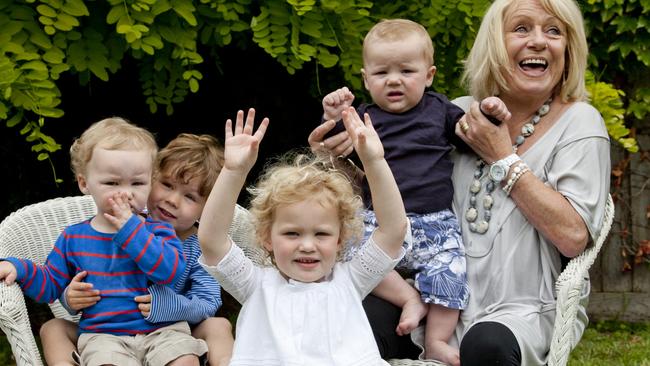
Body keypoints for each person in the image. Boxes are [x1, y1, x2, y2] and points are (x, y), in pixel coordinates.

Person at [310, 0, 611, 365]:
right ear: (494, 45)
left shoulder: (580, 123)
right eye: (521, 29)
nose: (538, 41)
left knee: (486, 346)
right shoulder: (459, 110)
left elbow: (573, 236)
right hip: (427, 295)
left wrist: (502, 157)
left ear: (569, 48)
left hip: (520, 308)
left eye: (554, 31)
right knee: (352, 319)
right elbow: (391, 193)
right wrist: (336, 159)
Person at [319, 18, 509, 365]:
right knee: (347, 251)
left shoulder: (439, 110)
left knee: (451, 272)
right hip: (378, 222)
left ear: (429, 75)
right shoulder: (361, 117)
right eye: (381, 73)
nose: (394, 79)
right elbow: (330, 141)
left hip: (435, 222)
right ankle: (409, 297)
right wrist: (331, 114)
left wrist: (490, 112)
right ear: (365, 79)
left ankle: (436, 340)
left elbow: (474, 131)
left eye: (407, 70)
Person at [198, 107, 408, 365]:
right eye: (292, 233)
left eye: (321, 234)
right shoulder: (255, 285)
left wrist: (375, 162)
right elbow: (211, 241)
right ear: (267, 237)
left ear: (340, 239)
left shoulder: (351, 280)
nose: (307, 245)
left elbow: (393, 230)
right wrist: (233, 171)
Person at [0, 118, 207, 366]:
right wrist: (19, 268)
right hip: (104, 336)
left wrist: (131, 229)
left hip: (163, 331)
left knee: (185, 360)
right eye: (112, 183)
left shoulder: (160, 231)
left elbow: (169, 273)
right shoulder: (74, 238)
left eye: (138, 183)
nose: (126, 193)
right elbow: (50, 284)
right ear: (85, 183)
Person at [39, 133, 235, 366]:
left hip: (174, 333)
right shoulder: (120, 226)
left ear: (207, 208)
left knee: (219, 325)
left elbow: (208, 302)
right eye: (167, 185)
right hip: (109, 332)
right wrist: (69, 296)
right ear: (149, 179)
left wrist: (175, 307)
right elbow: (80, 266)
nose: (173, 200)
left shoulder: (203, 247)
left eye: (190, 196)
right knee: (52, 328)